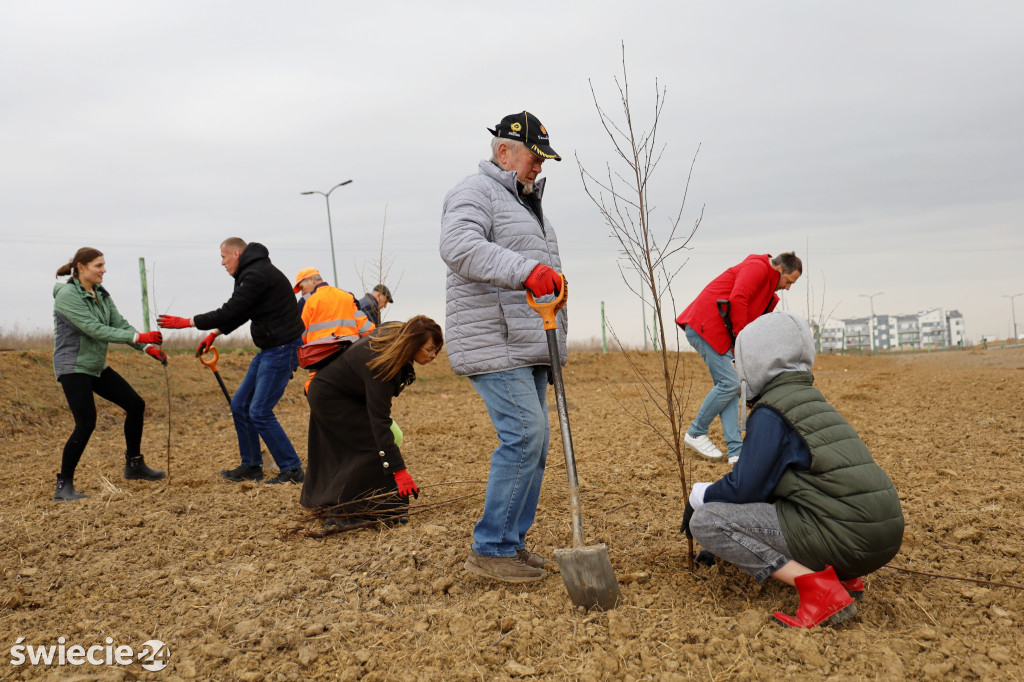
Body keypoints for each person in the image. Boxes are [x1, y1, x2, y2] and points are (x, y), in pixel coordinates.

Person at [681, 312, 905, 628]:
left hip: (848, 539)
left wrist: (699, 495)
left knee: (707, 521)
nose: (736, 368)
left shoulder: (772, 413)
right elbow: (777, 487)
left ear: (756, 362)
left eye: (739, 360)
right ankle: (845, 579)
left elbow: (745, 490)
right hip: (881, 535)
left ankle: (820, 588)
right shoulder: (811, 401)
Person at [440, 110, 567, 583]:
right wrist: (524, 270)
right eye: (535, 159)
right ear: (504, 151)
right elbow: (458, 247)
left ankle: (510, 545)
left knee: (535, 443)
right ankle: (490, 549)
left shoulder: (527, 202)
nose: (539, 168)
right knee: (524, 437)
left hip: (528, 343)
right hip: (493, 341)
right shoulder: (474, 192)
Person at [157, 238, 306, 485]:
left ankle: (292, 469)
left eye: (224, 258)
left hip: (282, 348)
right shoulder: (252, 272)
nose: (223, 263)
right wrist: (214, 334)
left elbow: (230, 310)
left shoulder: (257, 274)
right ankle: (251, 466)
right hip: (270, 348)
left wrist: (188, 322)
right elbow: (244, 311)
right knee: (240, 405)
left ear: (236, 253)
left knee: (259, 411)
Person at [299, 316, 442, 527]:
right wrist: (400, 471)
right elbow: (379, 421)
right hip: (331, 398)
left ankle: (382, 505)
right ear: (412, 343)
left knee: (393, 438)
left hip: (345, 394)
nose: (433, 356)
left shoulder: (394, 333)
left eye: (436, 350)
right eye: (429, 350)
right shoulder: (384, 367)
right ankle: (344, 513)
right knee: (371, 446)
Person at [51, 247, 168, 501]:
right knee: (86, 422)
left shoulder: (101, 294)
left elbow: (119, 324)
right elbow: (95, 329)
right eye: (98, 266)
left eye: (104, 265)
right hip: (72, 366)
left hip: (95, 365)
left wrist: (146, 347)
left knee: (135, 404)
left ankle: (134, 465)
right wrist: (138, 336)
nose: (104, 270)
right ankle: (64, 486)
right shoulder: (67, 296)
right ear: (81, 267)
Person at [676, 252, 802, 464]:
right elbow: (738, 298)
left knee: (731, 388)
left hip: (720, 334)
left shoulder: (767, 289)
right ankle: (696, 432)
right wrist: (742, 342)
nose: (788, 288)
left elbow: (758, 325)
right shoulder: (758, 267)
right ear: (779, 269)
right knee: (730, 383)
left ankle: (736, 452)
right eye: (789, 282)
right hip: (706, 327)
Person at [294, 267, 375, 392]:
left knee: (315, 392)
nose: (302, 293)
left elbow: (301, 337)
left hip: (320, 361)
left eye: (302, 287)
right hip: (350, 356)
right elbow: (365, 328)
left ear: (311, 280)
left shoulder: (307, 301)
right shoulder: (347, 296)